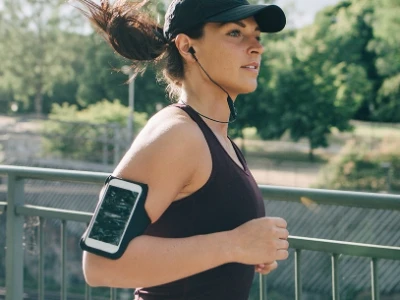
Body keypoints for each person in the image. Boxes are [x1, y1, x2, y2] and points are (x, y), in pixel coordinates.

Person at [77, 0, 289, 299]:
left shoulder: (218, 137)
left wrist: (245, 249)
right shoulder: (175, 135)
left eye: (257, 35)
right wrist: (234, 245)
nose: (256, 47)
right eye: (235, 33)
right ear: (188, 47)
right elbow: (99, 262)